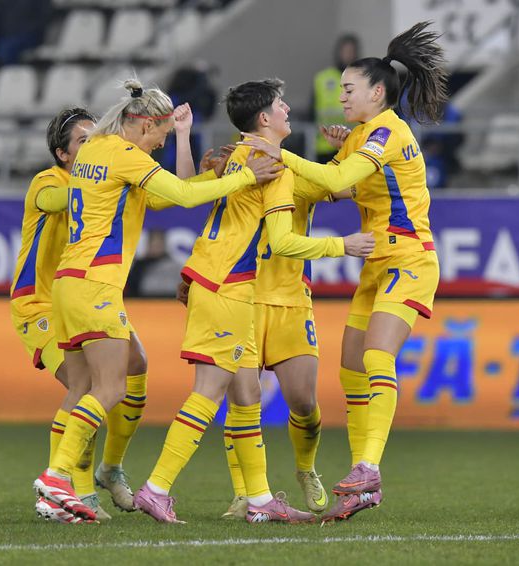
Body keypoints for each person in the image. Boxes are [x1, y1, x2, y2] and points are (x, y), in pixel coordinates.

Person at [32, 79, 285, 523]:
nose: (161, 144)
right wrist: (246, 175)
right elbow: (186, 196)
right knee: (107, 388)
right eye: (162, 135)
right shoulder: (127, 156)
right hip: (96, 283)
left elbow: (174, 193)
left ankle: (63, 490)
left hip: (69, 285)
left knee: (98, 381)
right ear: (144, 123)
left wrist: (192, 144)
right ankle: (57, 476)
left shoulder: (94, 152)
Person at [134, 78, 374, 524]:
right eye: (281, 105)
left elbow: (186, 194)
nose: (288, 109)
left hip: (231, 284)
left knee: (250, 398)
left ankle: (261, 499)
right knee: (213, 395)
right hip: (230, 285)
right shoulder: (268, 165)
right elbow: (283, 241)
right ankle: (159, 488)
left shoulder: (239, 159)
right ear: (264, 118)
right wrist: (345, 245)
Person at [242, 21, 446, 523]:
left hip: (409, 259)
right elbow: (338, 187)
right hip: (378, 261)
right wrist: (344, 145)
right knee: (352, 366)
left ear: (378, 92)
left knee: (377, 354)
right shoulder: (364, 134)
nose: (342, 97)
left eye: (349, 89)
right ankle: (360, 481)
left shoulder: (387, 132)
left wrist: (281, 153)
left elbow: (334, 179)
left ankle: (369, 468)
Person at [11, 107, 147, 523]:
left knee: (137, 365)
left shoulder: (99, 182)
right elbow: (61, 202)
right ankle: (75, 490)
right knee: (86, 387)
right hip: (40, 305)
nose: (93, 148)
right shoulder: (48, 181)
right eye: (83, 142)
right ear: (62, 154)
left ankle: (111, 467)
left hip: (86, 295)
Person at [217, 124, 354, 521]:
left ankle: (306, 467)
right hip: (242, 297)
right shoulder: (233, 172)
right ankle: (245, 493)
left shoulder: (297, 176)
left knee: (304, 404)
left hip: (292, 302)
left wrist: (348, 150)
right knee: (243, 401)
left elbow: (350, 187)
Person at [310, 34, 360, 163]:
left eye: (351, 51)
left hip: (353, 145)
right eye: (345, 51)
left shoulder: (361, 79)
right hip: (325, 145)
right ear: (338, 52)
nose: (347, 55)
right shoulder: (322, 78)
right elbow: (311, 112)